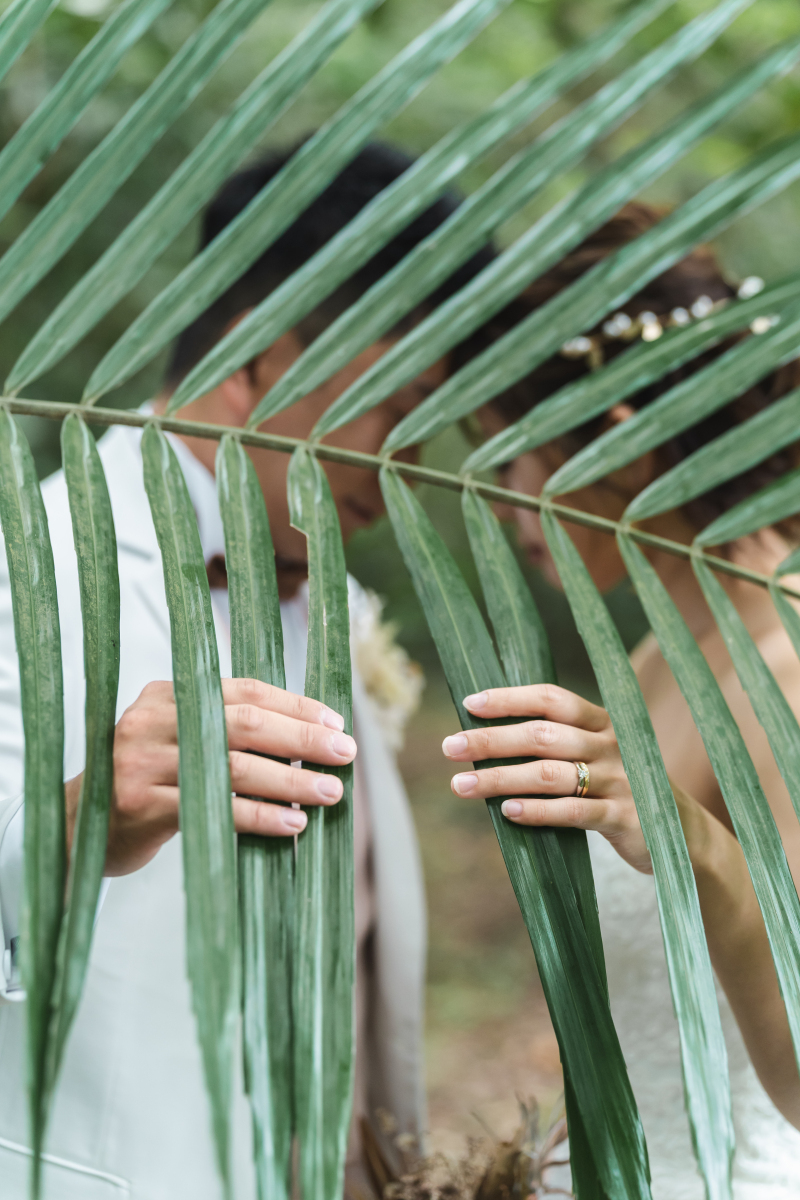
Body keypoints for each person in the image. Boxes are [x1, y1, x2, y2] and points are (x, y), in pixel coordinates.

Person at [0, 142, 493, 1199]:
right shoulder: (25, 568)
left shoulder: (330, 600)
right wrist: (84, 821)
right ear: (255, 357)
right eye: (391, 405)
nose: (411, 458)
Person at [441, 201, 800, 1198]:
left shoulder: (789, 672)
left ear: (616, 440)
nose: (500, 500)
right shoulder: (654, 658)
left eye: (510, 456)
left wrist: (699, 850)